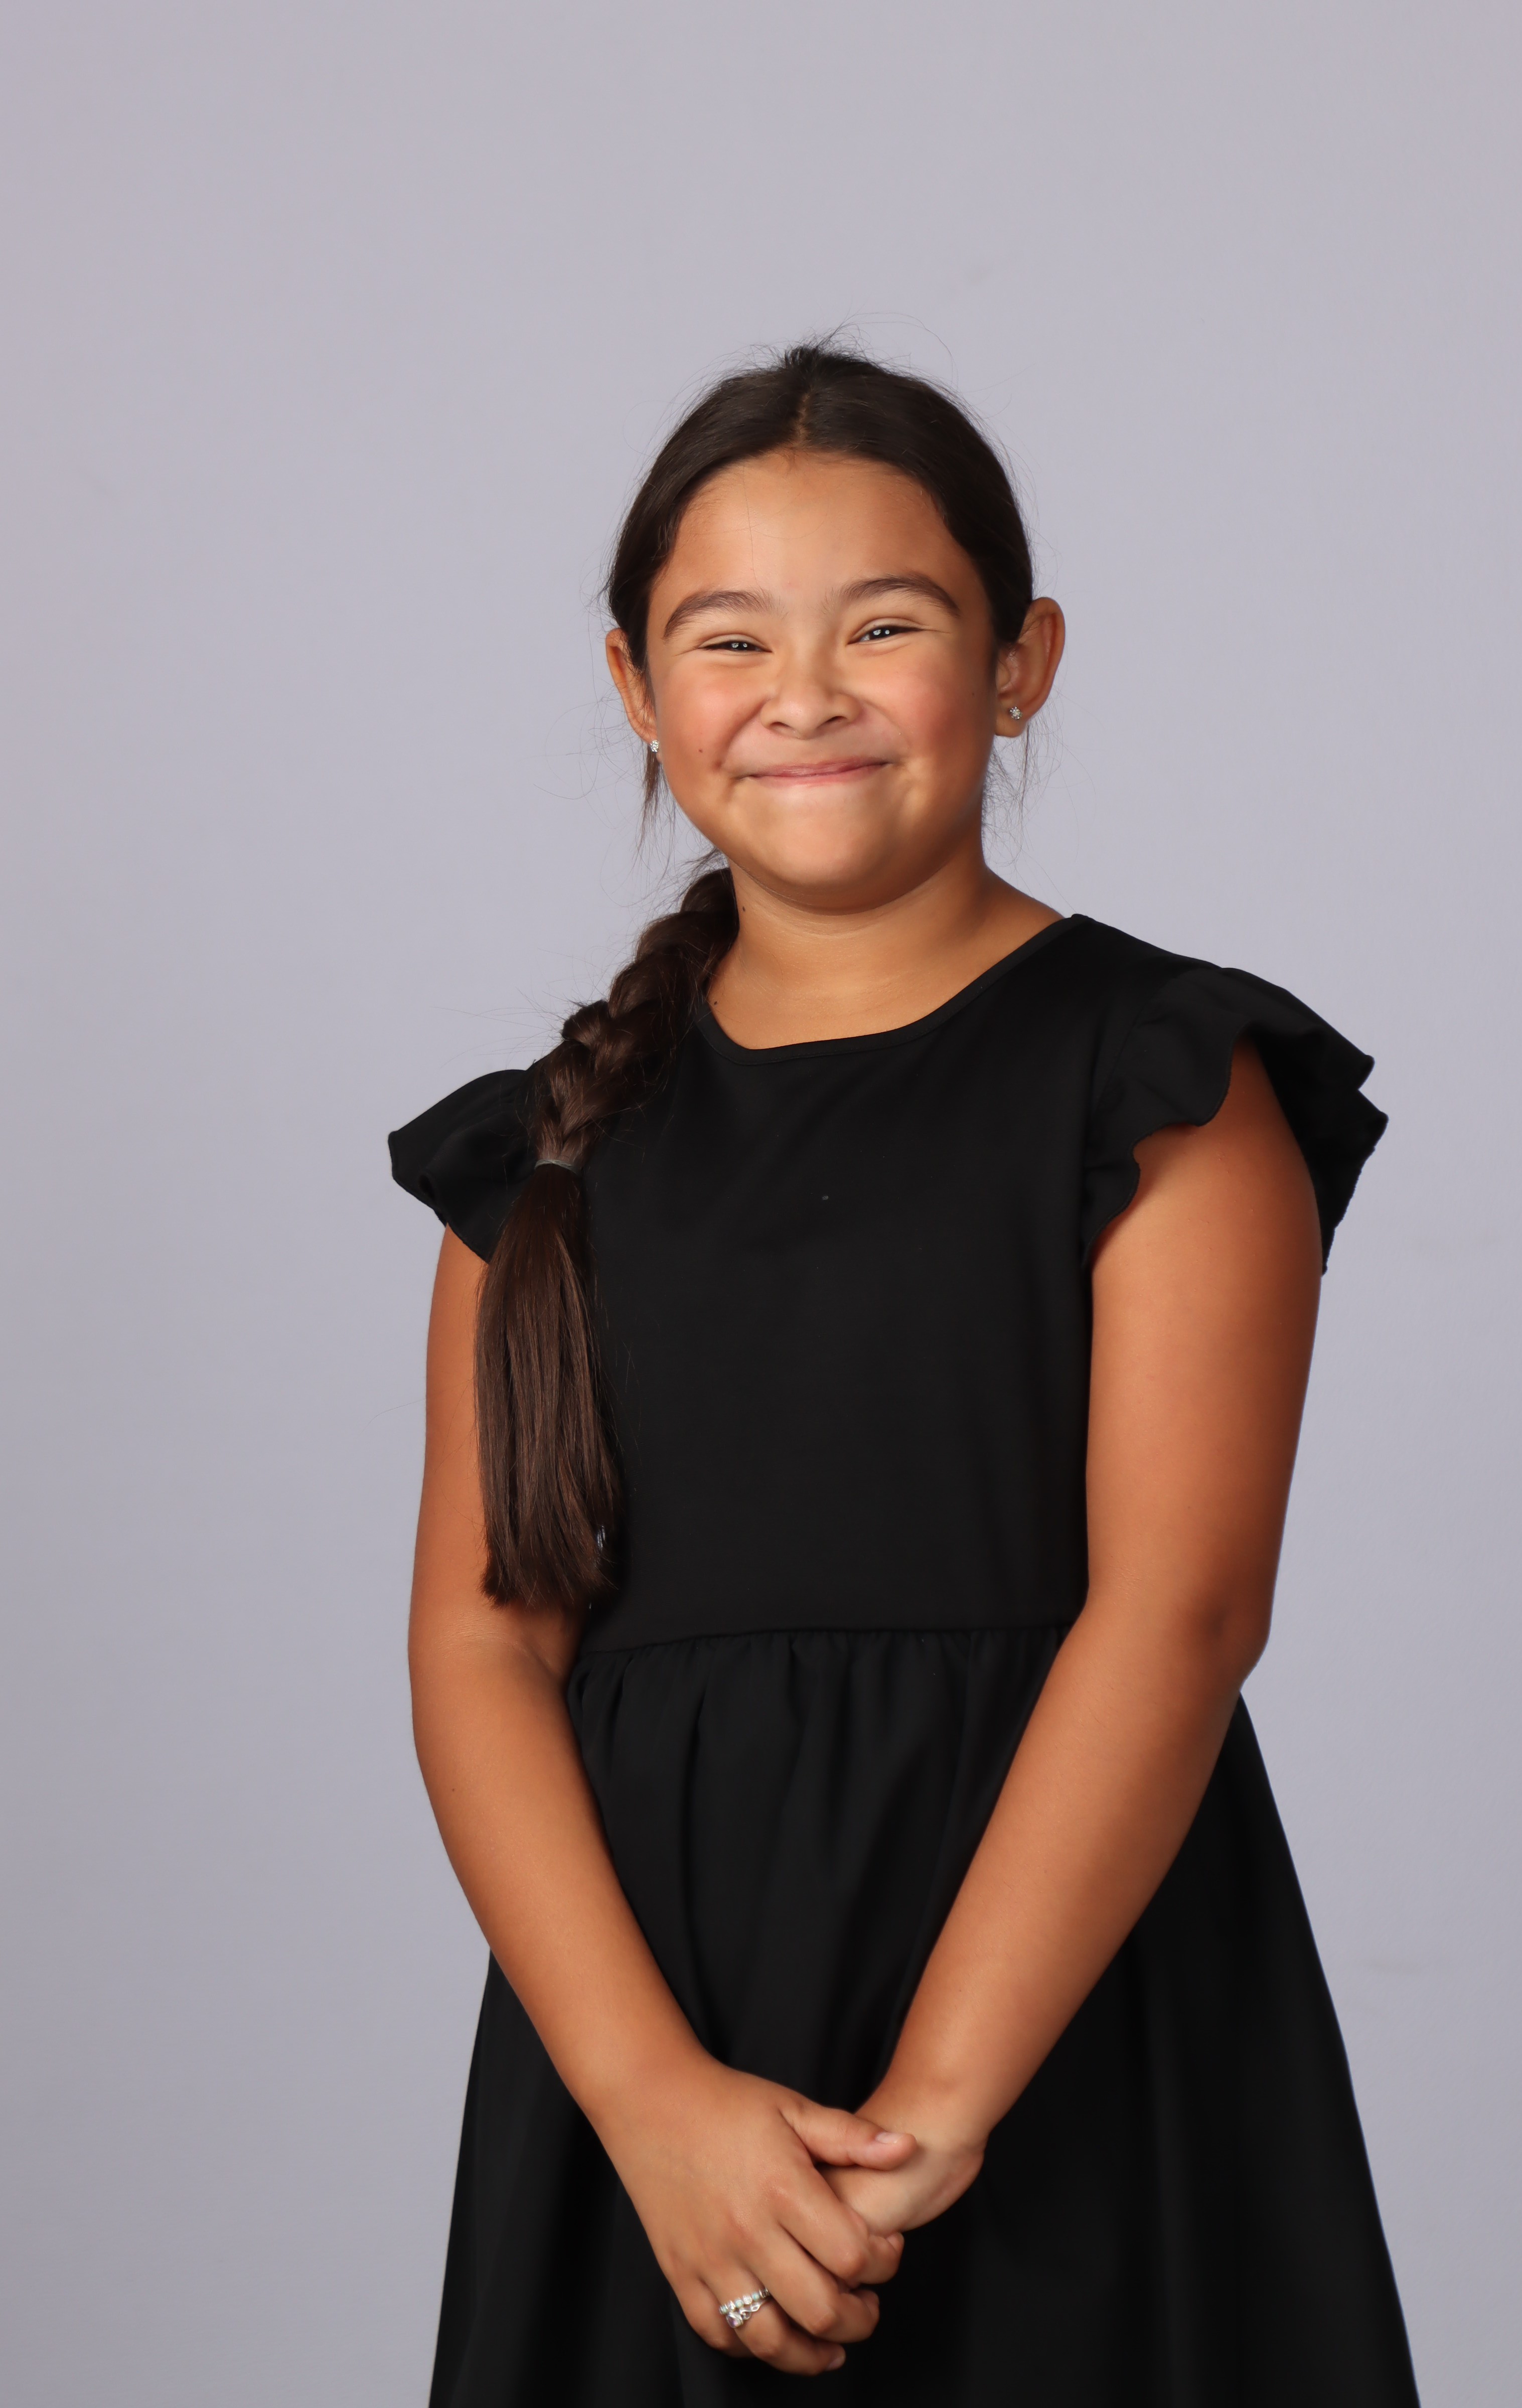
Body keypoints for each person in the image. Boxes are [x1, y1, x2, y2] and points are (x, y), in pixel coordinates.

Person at [389, 343, 1418, 2405]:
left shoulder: (1158, 1083)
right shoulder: (551, 1154)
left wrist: (935, 2112)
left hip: (1069, 2022)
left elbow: (1181, 1609)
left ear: (1018, 663)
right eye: (727, 638)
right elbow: (482, 1642)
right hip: (655, 2054)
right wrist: (652, 2102)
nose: (804, 693)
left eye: (885, 625)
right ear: (635, 689)